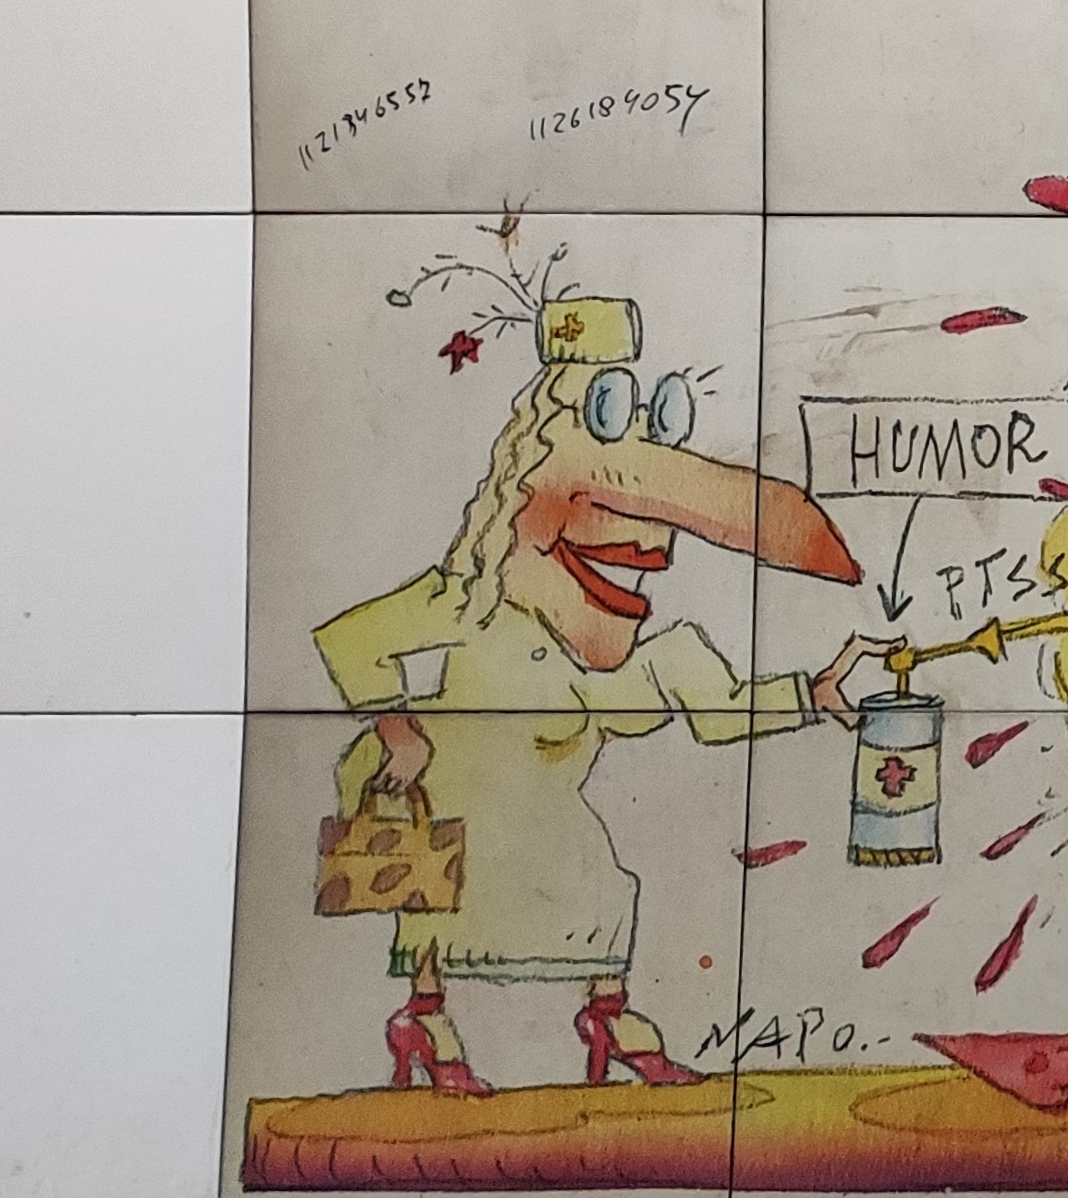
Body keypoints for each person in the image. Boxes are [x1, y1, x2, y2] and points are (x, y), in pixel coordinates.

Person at [315, 294, 894, 1093]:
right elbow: (350, 639)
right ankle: (426, 1017)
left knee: (600, 884)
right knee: (448, 895)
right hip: (455, 794)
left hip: (550, 806)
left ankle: (608, 1019)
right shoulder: (469, 598)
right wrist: (398, 730)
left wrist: (806, 692)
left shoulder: (616, 663)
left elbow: (709, 705)